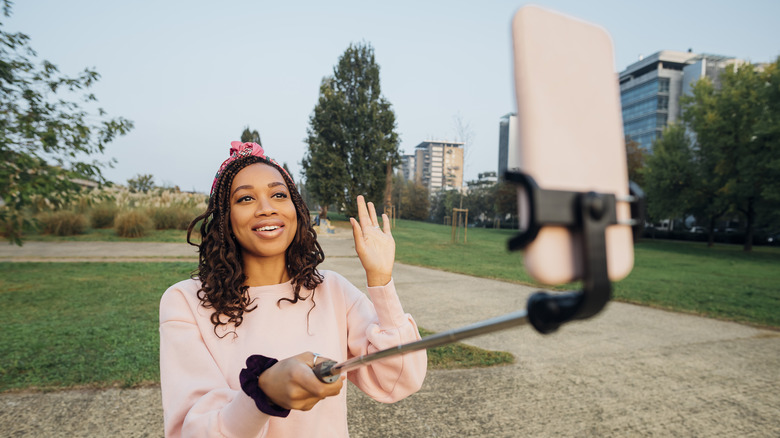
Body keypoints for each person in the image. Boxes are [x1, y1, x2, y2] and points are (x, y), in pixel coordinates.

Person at [159, 141, 427, 437]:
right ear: (225, 218)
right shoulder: (183, 302)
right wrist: (262, 394)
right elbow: (192, 430)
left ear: (296, 208)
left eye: (278, 194)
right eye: (246, 199)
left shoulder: (333, 291)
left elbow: (401, 379)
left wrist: (380, 279)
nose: (266, 208)